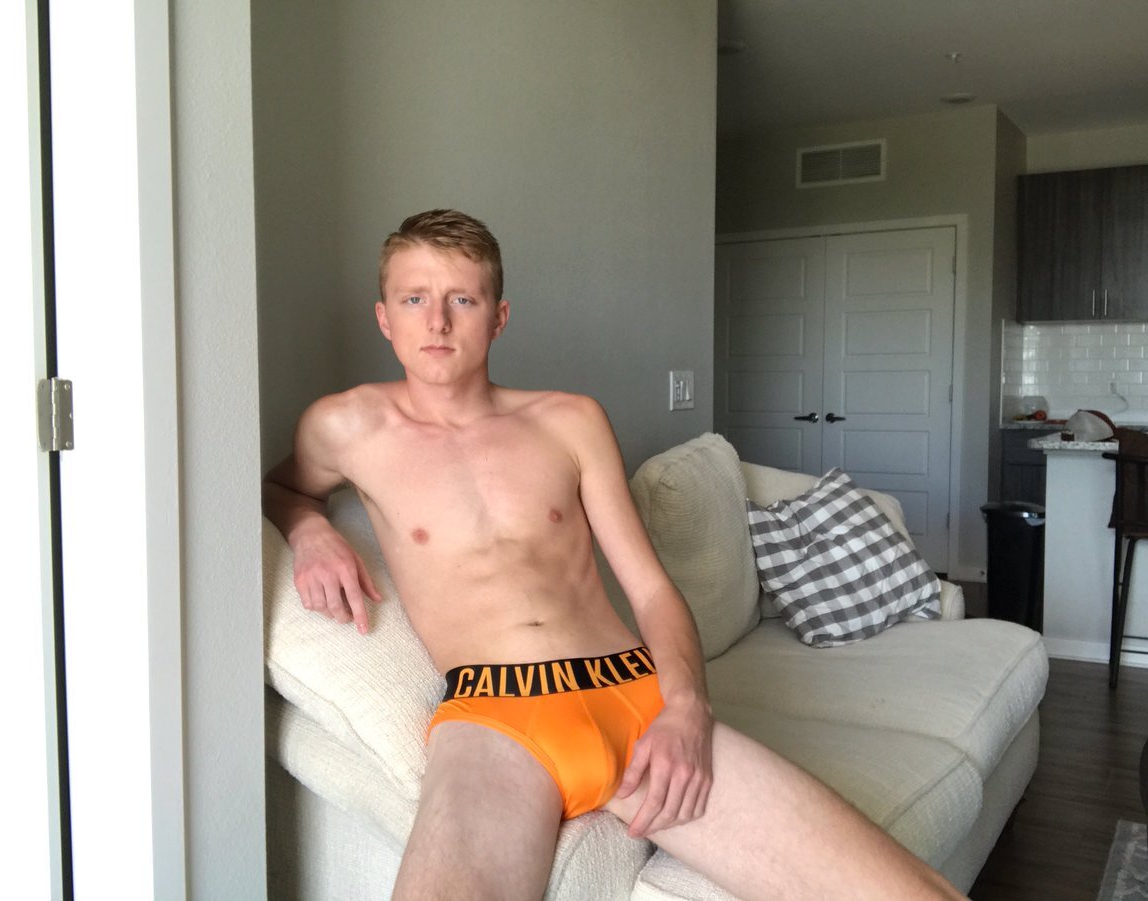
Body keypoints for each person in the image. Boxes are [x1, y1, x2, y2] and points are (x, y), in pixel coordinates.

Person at [262, 210, 965, 901]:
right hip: (493, 716)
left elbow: (651, 589)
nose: (437, 322)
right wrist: (311, 530)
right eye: (414, 299)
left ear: (498, 317)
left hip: (633, 695)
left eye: (462, 300)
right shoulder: (344, 426)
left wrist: (687, 707)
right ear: (384, 317)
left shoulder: (570, 420)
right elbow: (282, 487)